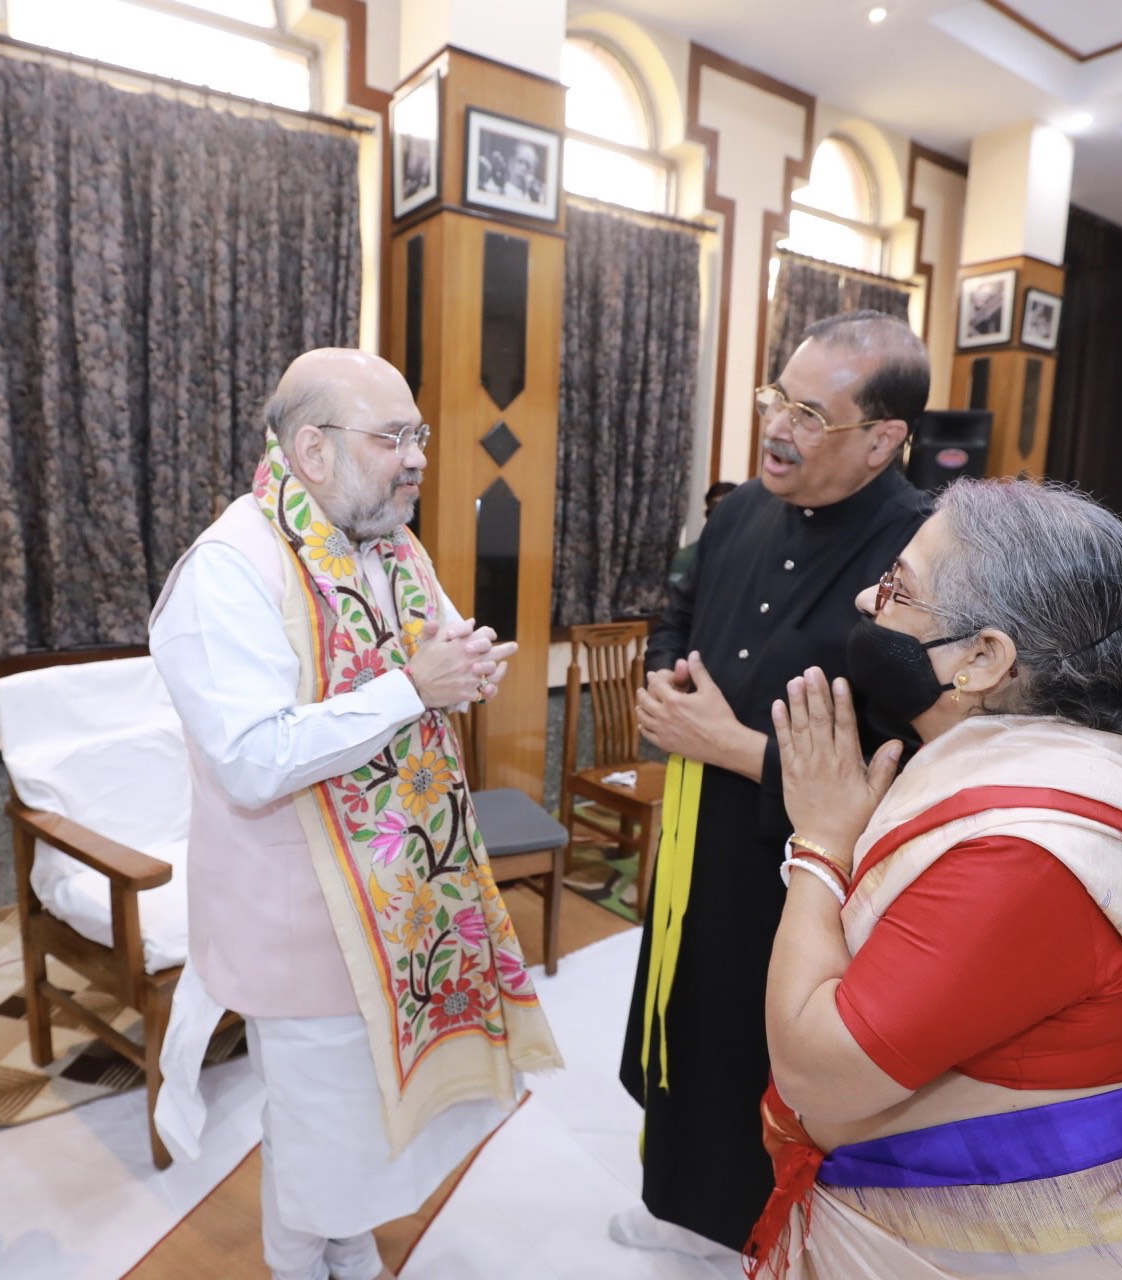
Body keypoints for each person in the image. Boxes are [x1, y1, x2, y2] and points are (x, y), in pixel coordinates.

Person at [751, 477, 1122, 1278]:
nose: (870, 601)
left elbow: (816, 1070)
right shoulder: (1039, 761)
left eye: (899, 588)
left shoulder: (1027, 855)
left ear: (982, 658)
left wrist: (820, 843)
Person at [149, 348, 562, 1280]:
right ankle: (306, 1261)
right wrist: (417, 689)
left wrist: (459, 665)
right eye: (394, 437)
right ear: (312, 449)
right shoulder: (229, 569)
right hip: (304, 919)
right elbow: (254, 762)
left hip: (403, 901)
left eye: (418, 435)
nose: (418, 457)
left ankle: (349, 1245)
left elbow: (429, 653)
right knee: (319, 1130)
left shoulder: (387, 546)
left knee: (370, 1121)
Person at [615, 311, 934, 1258]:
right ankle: (672, 1197)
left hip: (809, 870)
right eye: (774, 397)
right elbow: (679, 609)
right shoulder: (741, 505)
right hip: (699, 832)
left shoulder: (924, 560)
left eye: (807, 411)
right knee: (682, 1006)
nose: (776, 427)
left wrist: (739, 749)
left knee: (766, 1044)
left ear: (882, 440)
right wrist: (669, 683)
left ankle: (761, 1235)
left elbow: (910, 764)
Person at [666, 480, 737, 589]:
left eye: (730, 510)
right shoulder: (687, 558)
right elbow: (677, 601)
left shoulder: (754, 557)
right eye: (715, 510)